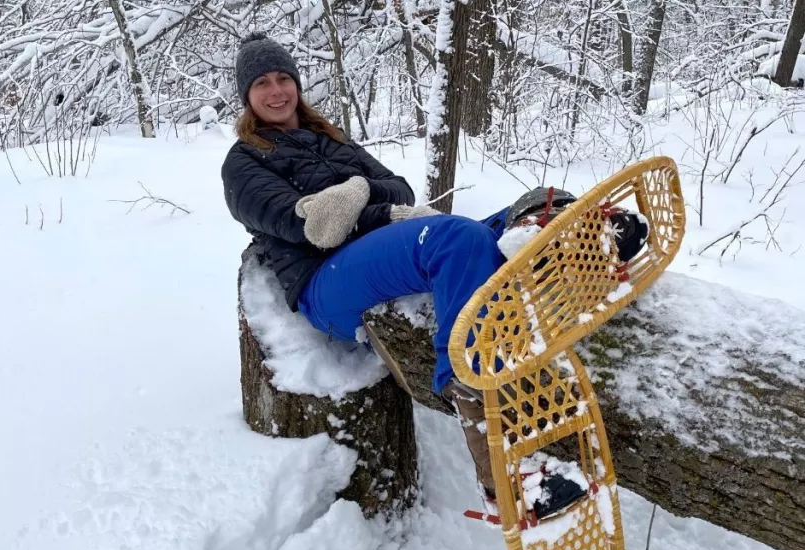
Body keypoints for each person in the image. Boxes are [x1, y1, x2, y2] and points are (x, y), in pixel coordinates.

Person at [221, 32, 648, 507]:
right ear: (247, 96)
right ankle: (500, 466)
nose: (277, 90)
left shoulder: (330, 139)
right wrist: (373, 207)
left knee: (502, 223)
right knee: (454, 238)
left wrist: (358, 192)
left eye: (283, 78)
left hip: (375, 253)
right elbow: (307, 223)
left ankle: (572, 241)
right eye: (262, 83)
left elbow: (399, 189)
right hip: (325, 283)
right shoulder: (242, 163)